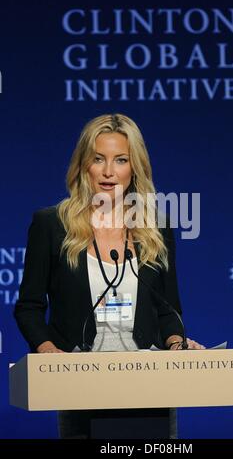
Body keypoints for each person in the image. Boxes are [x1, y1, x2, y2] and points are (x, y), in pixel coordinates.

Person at [14, 113, 205, 439]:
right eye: (98, 159)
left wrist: (176, 342)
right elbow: (29, 307)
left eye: (120, 160)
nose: (108, 171)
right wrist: (46, 348)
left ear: (134, 168)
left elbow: (168, 309)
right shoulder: (51, 225)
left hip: (151, 384)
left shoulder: (155, 227)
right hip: (80, 384)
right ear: (83, 165)